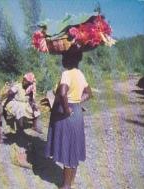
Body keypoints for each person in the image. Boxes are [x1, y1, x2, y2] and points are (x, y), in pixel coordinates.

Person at [44, 51, 92, 189]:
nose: (62, 60)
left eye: (63, 58)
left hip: (68, 115)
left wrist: (66, 109)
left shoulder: (67, 73)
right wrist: (76, 102)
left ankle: (65, 186)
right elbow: (89, 93)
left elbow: (63, 92)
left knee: (67, 147)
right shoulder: (80, 74)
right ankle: (70, 182)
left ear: (67, 60)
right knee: (74, 147)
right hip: (76, 114)